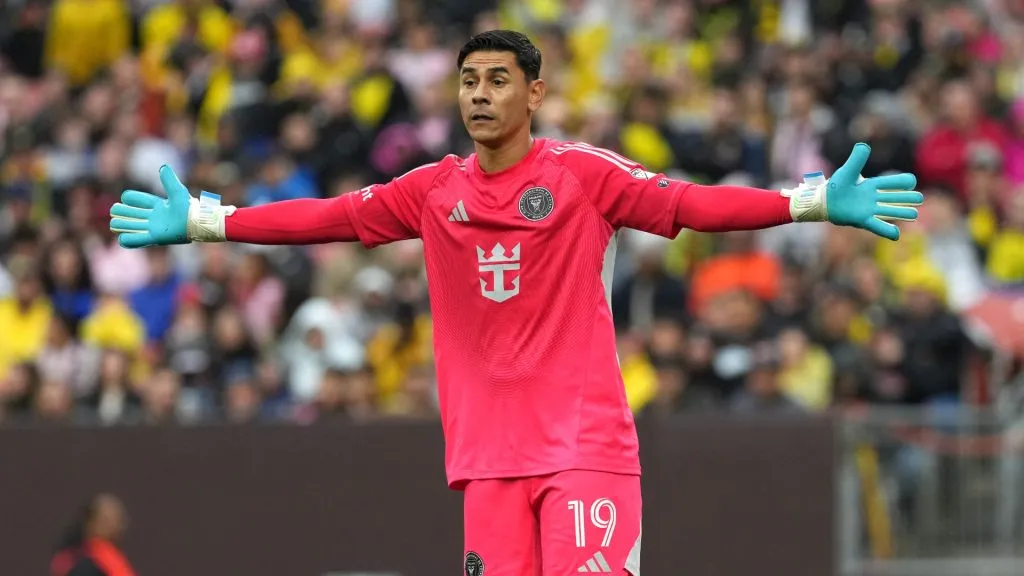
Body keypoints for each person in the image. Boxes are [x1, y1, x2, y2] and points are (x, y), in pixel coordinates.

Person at [109, 30, 922, 576]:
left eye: (498, 80)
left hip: (584, 449)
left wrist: (807, 202)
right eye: (469, 81)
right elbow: (332, 218)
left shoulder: (582, 175)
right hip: (488, 462)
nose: (480, 95)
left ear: (534, 93)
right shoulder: (433, 190)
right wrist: (211, 220)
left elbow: (688, 203)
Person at [49, 493, 135, 576]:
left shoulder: (114, 557)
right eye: (106, 521)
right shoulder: (79, 560)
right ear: (90, 522)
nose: (114, 526)